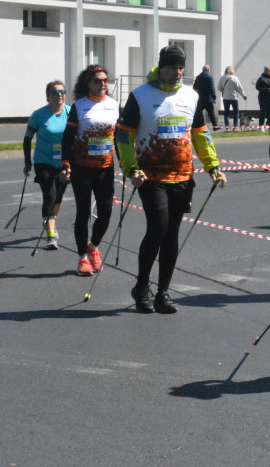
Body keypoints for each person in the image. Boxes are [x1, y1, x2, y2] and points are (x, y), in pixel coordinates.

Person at [116, 45, 226, 314]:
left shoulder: (191, 95)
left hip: (182, 176)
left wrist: (213, 166)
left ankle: (163, 292)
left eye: (181, 67)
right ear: (161, 67)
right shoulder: (140, 96)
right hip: (150, 176)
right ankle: (142, 287)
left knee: (172, 234)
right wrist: (131, 169)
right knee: (158, 228)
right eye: (172, 67)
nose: (177, 72)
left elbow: (200, 134)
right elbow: (122, 136)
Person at [60, 65, 120, 276]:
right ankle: (82, 258)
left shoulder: (114, 105)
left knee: (105, 213)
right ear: (88, 83)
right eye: (97, 81)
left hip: (105, 167)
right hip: (82, 168)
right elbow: (67, 138)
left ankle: (93, 247)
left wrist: (127, 165)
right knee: (83, 213)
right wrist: (65, 163)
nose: (102, 84)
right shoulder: (79, 106)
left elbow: (119, 138)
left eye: (105, 80)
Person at [23, 80, 71, 250]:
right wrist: (27, 162)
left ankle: (50, 221)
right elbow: (28, 138)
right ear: (48, 96)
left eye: (62, 92)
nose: (60, 95)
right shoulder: (39, 115)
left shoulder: (70, 112)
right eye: (55, 92)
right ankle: (51, 235)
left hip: (64, 162)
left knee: (58, 197)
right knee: (49, 195)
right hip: (43, 161)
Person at [218, 65, 247, 130]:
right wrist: (243, 95)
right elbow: (239, 88)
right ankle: (235, 127)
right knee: (236, 112)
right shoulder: (235, 78)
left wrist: (224, 90)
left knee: (226, 113)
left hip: (225, 98)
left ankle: (227, 127)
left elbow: (219, 88)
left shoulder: (222, 78)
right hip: (234, 98)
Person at [192, 65, 218, 129]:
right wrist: (214, 97)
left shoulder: (198, 77)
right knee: (211, 114)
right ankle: (215, 126)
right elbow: (212, 88)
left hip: (200, 98)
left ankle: (197, 126)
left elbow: (194, 87)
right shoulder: (209, 77)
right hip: (208, 99)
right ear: (208, 70)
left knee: (198, 113)